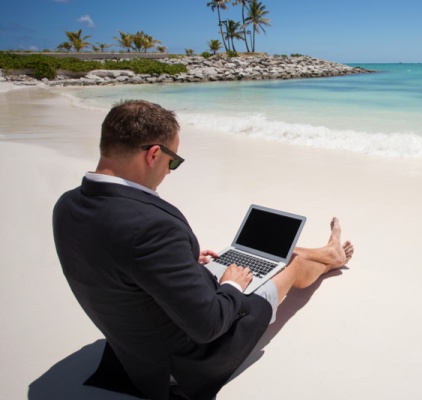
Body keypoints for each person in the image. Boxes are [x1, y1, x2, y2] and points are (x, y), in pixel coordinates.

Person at [52, 99, 354, 400]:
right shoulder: (150, 226)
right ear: (154, 154)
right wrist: (232, 286)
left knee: (269, 252)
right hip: (183, 365)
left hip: (132, 355)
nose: (170, 171)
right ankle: (331, 256)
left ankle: (327, 252)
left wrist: (178, 264)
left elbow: (116, 264)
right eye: (173, 161)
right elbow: (209, 326)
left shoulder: (67, 206)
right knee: (293, 263)